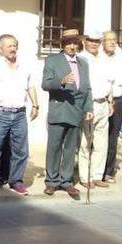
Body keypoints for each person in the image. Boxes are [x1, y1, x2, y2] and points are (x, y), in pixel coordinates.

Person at [0, 34, 38, 196]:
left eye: (14, 45)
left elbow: (31, 87)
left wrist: (35, 105)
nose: (13, 48)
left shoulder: (25, 66)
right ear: (0, 49)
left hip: (20, 114)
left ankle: (16, 182)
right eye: (9, 46)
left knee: (21, 151)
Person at [41, 28, 92, 201]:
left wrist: (89, 108)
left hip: (76, 110)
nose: (72, 46)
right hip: (59, 108)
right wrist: (61, 81)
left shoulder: (83, 62)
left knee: (71, 148)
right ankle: (52, 181)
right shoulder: (52, 60)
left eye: (75, 43)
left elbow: (87, 88)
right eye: (68, 43)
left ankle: (66, 180)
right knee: (54, 147)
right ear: (63, 44)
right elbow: (45, 84)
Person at [77, 30, 112, 189]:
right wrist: (85, 106)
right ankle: (85, 176)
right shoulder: (81, 58)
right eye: (91, 40)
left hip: (103, 103)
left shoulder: (104, 59)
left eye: (97, 41)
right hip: (89, 104)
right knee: (85, 142)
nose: (94, 43)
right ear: (84, 41)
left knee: (101, 142)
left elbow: (108, 80)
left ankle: (98, 175)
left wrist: (110, 101)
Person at [99, 30, 122, 183]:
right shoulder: (97, 55)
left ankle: (108, 171)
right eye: (109, 40)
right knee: (97, 137)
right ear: (102, 41)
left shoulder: (120, 55)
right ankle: (96, 171)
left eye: (114, 40)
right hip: (101, 100)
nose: (112, 42)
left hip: (117, 99)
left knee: (112, 136)